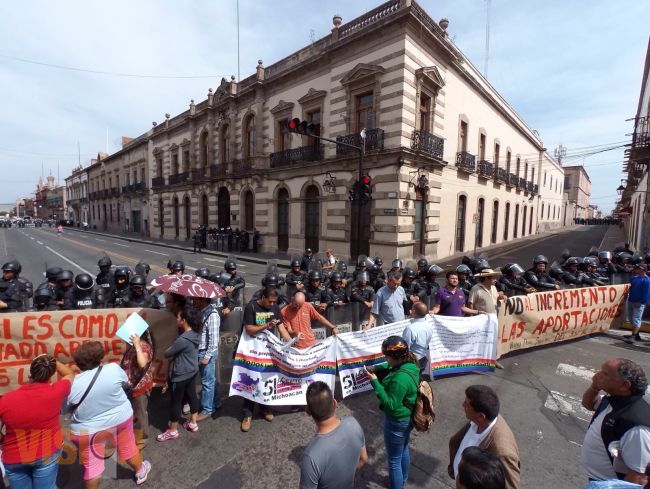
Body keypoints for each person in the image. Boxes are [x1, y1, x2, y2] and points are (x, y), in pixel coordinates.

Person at [66, 341, 152, 487]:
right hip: (120, 419)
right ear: (100, 360)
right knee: (128, 447)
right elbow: (125, 381)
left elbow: (64, 409)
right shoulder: (112, 369)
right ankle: (140, 471)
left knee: (92, 466)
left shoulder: (72, 385)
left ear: (78, 365)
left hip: (88, 430)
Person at [0, 354, 74, 489]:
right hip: (46, 453)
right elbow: (69, 374)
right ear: (51, 374)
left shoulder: (5, 399)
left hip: (14, 457)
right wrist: (50, 360)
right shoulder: (56, 391)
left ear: (30, 373)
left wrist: (2, 439)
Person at [580, 358, 650, 485]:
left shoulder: (636, 427)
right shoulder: (614, 399)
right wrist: (594, 387)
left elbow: (637, 477)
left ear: (624, 385)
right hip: (597, 482)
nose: (598, 374)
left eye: (605, 374)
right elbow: (588, 404)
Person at [366, 336, 419, 489]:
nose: (385, 359)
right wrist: (377, 368)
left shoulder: (399, 379)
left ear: (394, 357)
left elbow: (390, 405)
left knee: (394, 461)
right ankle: (402, 481)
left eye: (386, 356)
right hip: (408, 417)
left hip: (397, 421)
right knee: (403, 449)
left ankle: (398, 485)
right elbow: (389, 366)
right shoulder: (410, 363)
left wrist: (375, 382)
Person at [448, 385, 521, 489]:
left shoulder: (503, 452)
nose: (462, 404)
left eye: (467, 404)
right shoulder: (478, 421)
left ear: (481, 416)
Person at [299, 381, 368, 489]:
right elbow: (363, 459)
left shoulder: (311, 455)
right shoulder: (353, 423)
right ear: (335, 403)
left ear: (308, 411)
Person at [240, 288, 283, 432]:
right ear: (263, 297)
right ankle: (247, 414)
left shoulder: (275, 307)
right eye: (269, 301)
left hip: (267, 352)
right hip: (252, 351)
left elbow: (281, 327)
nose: (272, 304)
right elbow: (249, 329)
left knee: (265, 379)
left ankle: (264, 408)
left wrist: (291, 342)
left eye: (274, 302)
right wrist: (266, 326)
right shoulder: (251, 307)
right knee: (251, 380)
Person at [157, 306, 201, 441]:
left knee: (175, 402)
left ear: (184, 320)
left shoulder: (182, 340)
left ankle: (173, 431)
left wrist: (171, 344)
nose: (176, 319)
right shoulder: (195, 334)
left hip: (180, 375)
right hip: (192, 371)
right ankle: (193, 423)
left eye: (178, 317)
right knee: (192, 395)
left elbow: (167, 353)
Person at [120, 331, 154, 451]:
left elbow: (142, 363)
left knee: (140, 414)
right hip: (130, 386)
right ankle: (134, 435)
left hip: (139, 387)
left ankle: (142, 440)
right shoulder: (134, 346)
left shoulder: (143, 345)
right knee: (134, 413)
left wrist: (137, 344)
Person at [194, 296, 223, 422]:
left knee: (207, 382)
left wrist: (206, 357)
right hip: (201, 350)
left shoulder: (212, 314)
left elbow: (214, 340)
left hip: (206, 352)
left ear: (203, 300)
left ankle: (207, 409)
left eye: (195, 300)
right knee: (210, 379)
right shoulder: (202, 312)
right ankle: (216, 402)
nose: (194, 302)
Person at [402, 301, 433, 377]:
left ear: (414, 311)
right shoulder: (429, 325)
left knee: (412, 380)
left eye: (412, 309)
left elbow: (405, 347)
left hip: (413, 361)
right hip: (423, 358)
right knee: (418, 378)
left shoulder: (410, 329)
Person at [624, 264, 650, 344]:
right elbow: (630, 287)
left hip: (639, 303)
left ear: (643, 270)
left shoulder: (647, 280)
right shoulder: (634, 278)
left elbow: (646, 293)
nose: (636, 269)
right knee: (631, 319)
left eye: (639, 268)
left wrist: (640, 302)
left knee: (636, 319)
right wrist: (626, 294)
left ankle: (633, 336)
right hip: (631, 300)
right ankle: (636, 335)